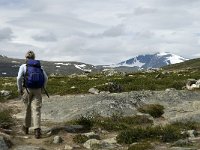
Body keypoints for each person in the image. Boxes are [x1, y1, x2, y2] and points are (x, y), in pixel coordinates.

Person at [17, 50, 48, 139]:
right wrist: (42, 88)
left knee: (27, 108)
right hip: (38, 90)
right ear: (34, 57)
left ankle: (26, 128)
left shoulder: (23, 66)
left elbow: (19, 78)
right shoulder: (39, 66)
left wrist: (19, 89)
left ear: (26, 58)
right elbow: (46, 78)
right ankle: (37, 131)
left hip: (27, 89)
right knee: (36, 110)